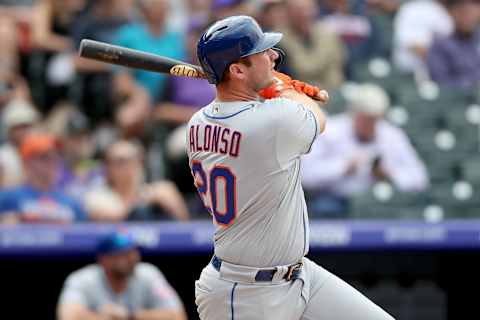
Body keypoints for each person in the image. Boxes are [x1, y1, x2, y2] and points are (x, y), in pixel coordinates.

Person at [188, 15, 394, 320]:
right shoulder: (271, 122)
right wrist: (282, 88)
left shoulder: (198, 121)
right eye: (262, 53)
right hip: (246, 295)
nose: (273, 56)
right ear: (237, 69)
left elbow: (252, 111)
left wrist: (267, 88)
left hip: (299, 275)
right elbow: (317, 118)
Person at [302, 83, 429, 217]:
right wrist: (344, 167)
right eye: (367, 119)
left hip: (382, 203)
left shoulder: (391, 134)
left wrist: (389, 175)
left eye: (375, 120)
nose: (371, 125)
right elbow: (306, 176)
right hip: (338, 202)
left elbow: (420, 179)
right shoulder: (329, 131)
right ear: (353, 113)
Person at [57, 231, 187, 320]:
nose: (132, 258)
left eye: (133, 252)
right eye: (123, 254)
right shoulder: (82, 279)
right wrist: (104, 317)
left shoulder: (149, 274)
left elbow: (177, 316)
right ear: (103, 259)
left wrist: (130, 315)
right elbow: (67, 316)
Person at [84, 139, 190, 222]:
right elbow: (113, 220)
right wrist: (142, 200)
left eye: (133, 160)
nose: (128, 166)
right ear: (108, 167)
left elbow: (184, 223)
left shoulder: (159, 190)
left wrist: (168, 200)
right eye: (120, 161)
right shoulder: (97, 195)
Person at [0, 133, 87, 223]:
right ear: (27, 162)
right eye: (44, 157)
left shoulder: (71, 202)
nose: (53, 161)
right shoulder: (9, 198)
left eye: (56, 156)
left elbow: (87, 232)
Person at [427, 0, 480, 89]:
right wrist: (473, 84)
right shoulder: (440, 45)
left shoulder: (477, 40)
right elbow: (441, 82)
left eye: (472, 11)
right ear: (452, 13)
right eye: (463, 12)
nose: (467, 17)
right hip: (461, 99)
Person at [392, 0, 452, 73]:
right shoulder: (413, 8)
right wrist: (438, 59)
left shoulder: (444, 11)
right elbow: (410, 44)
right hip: (409, 72)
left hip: (439, 72)